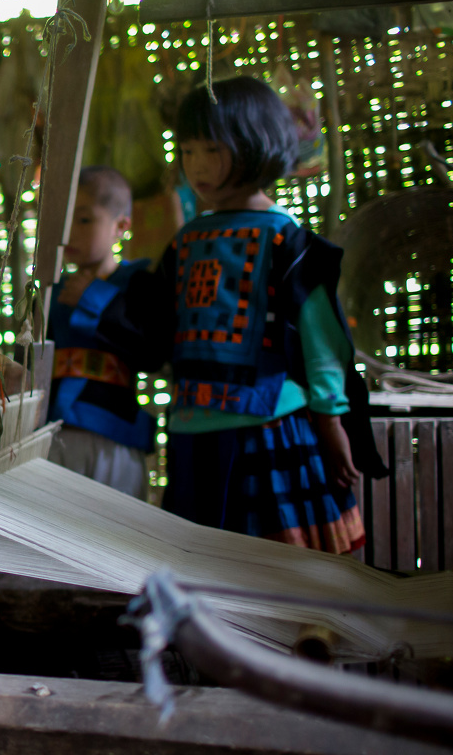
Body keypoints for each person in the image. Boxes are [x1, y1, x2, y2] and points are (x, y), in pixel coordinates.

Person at [96, 75, 382, 553]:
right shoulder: (185, 243)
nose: (197, 167)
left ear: (254, 145)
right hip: (191, 432)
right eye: (187, 152)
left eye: (211, 150)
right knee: (203, 570)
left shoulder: (289, 243)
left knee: (280, 574)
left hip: (269, 429)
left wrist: (330, 422)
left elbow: (321, 342)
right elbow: (158, 330)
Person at [46, 166, 155, 500]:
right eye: (63, 220)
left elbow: (152, 352)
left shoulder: (139, 283)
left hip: (113, 437)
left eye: (83, 220)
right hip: (52, 435)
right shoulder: (51, 291)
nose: (69, 232)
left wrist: (94, 299)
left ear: (120, 226)